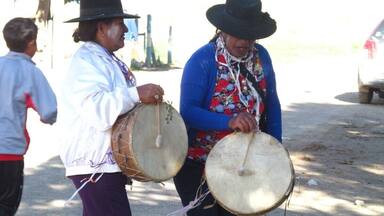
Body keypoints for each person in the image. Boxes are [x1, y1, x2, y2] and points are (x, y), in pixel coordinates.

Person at [173, 0, 281, 215]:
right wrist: (229, 121)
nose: (244, 41)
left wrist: (276, 152)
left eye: (249, 35)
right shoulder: (203, 60)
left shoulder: (262, 57)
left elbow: (272, 105)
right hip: (200, 166)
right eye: (237, 34)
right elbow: (188, 111)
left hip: (245, 165)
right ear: (222, 30)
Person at [58, 0, 164, 215]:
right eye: (119, 23)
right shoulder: (86, 60)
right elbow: (97, 110)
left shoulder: (104, 58)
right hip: (95, 166)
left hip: (103, 167)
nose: (125, 29)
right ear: (101, 27)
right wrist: (136, 94)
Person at [0, 17, 57, 216]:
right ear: (31, 42)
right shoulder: (30, 72)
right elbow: (49, 111)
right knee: (5, 206)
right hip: (8, 152)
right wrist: (47, 118)